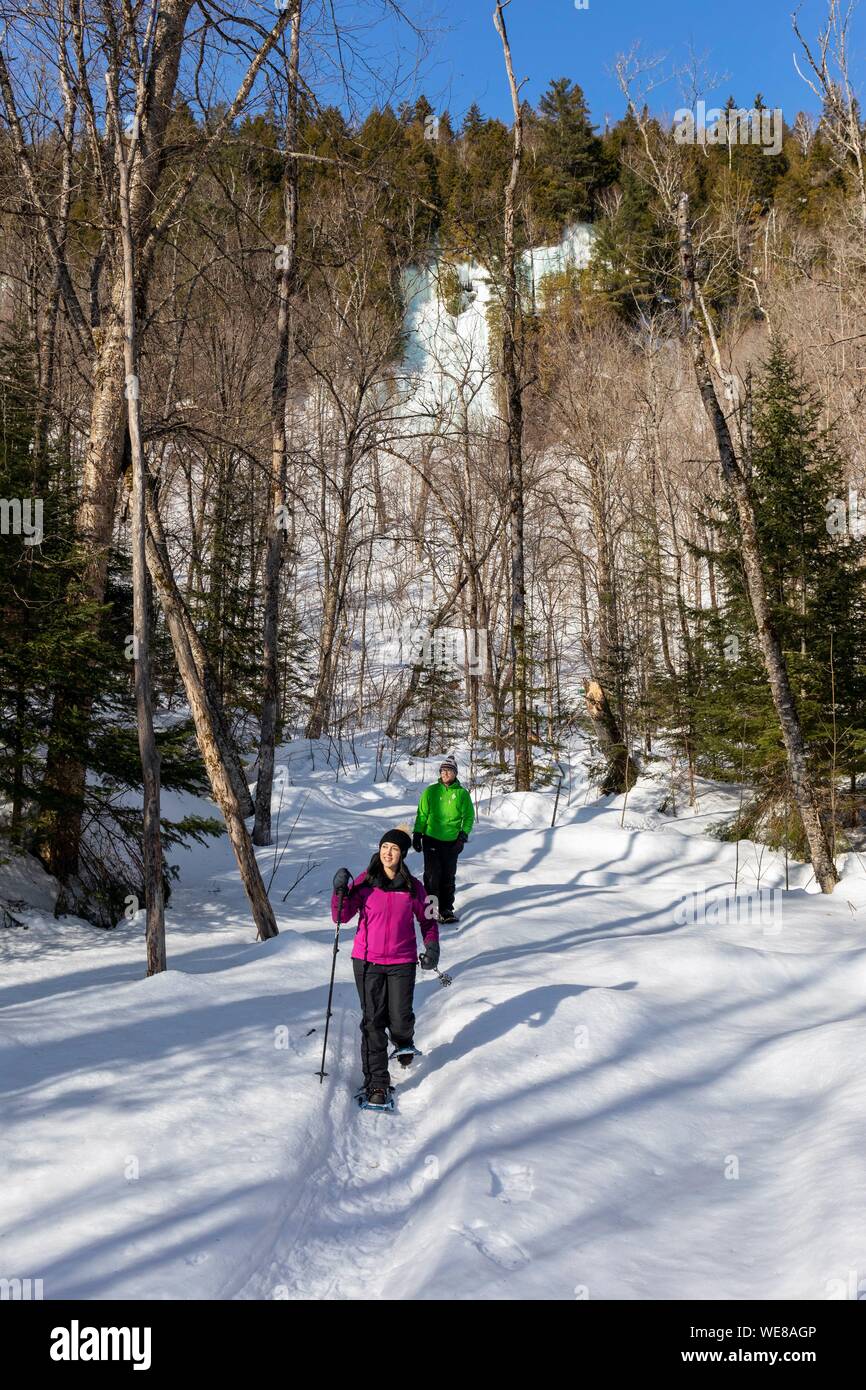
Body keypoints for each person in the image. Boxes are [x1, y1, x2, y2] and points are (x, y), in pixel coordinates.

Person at [331, 827, 440, 1111]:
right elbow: (341, 914)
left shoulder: (414, 886)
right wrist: (339, 889)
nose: (387, 852)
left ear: (402, 854)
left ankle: (403, 1041)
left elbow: (429, 920)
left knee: (400, 1018)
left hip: (403, 961)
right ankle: (377, 1082)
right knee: (373, 1021)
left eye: (393, 848)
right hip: (367, 961)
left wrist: (432, 947)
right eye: (384, 846)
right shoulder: (366, 882)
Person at [412, 755, 474, 924]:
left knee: (448, 876)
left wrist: (463, 836)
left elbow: (468, 817)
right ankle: (431, 910)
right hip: (431, 839)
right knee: (432, 875)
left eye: (449, 770)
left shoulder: (462, 794)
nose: (446, 773)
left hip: (451, 843)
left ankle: (446, 909)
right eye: (443, 770)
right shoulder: (431, 791)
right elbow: (422, 814)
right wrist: (417, 834)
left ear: (455, 773)